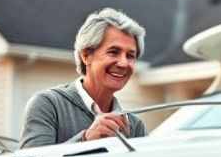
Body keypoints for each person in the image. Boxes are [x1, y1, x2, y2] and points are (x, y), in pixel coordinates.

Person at [19, 8, 146, 148]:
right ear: (86, 55)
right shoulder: (48, 105)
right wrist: (85, 140)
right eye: (113, 52)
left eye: (130, 56)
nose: (123, 63)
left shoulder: (134, 126)